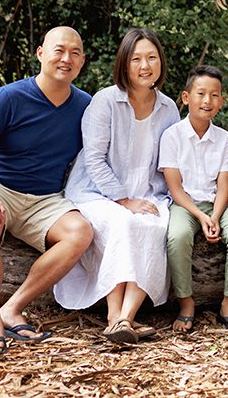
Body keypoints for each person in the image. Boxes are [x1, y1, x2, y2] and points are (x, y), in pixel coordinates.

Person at [0, 27, 94, 355]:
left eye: (75, 53)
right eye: (59, 50)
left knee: (81, 232)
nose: (66, 58)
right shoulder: (11, 96)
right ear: (41, 53)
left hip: (44, 198)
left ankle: (11, 309)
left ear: (83, 61)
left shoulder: (86, 105)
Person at [55, 28, 179, 344]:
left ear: (161, 63)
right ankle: (115, 317)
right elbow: (95, 160)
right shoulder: (105, 101)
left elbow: (172, 162)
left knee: (152, 226)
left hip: (149, 192)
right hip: (97, 191)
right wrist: (123, 199)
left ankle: (125, 317)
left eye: (152, 57)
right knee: (123, 222)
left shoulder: (169, 108)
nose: (145, 65)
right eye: (136, 58)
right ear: (124, 64)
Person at [160, 65, 228, 335]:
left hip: (218, 204)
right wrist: (200, 217)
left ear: (221, 101)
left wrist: (214, 216)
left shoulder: (224, 138)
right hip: (184, 204)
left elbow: (224, 185)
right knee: (177, 236)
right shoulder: (172, 135)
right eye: (201, 93)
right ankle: (186, 303)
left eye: (214, 95)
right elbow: (175, 188)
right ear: (186, 97)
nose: (207, 100)